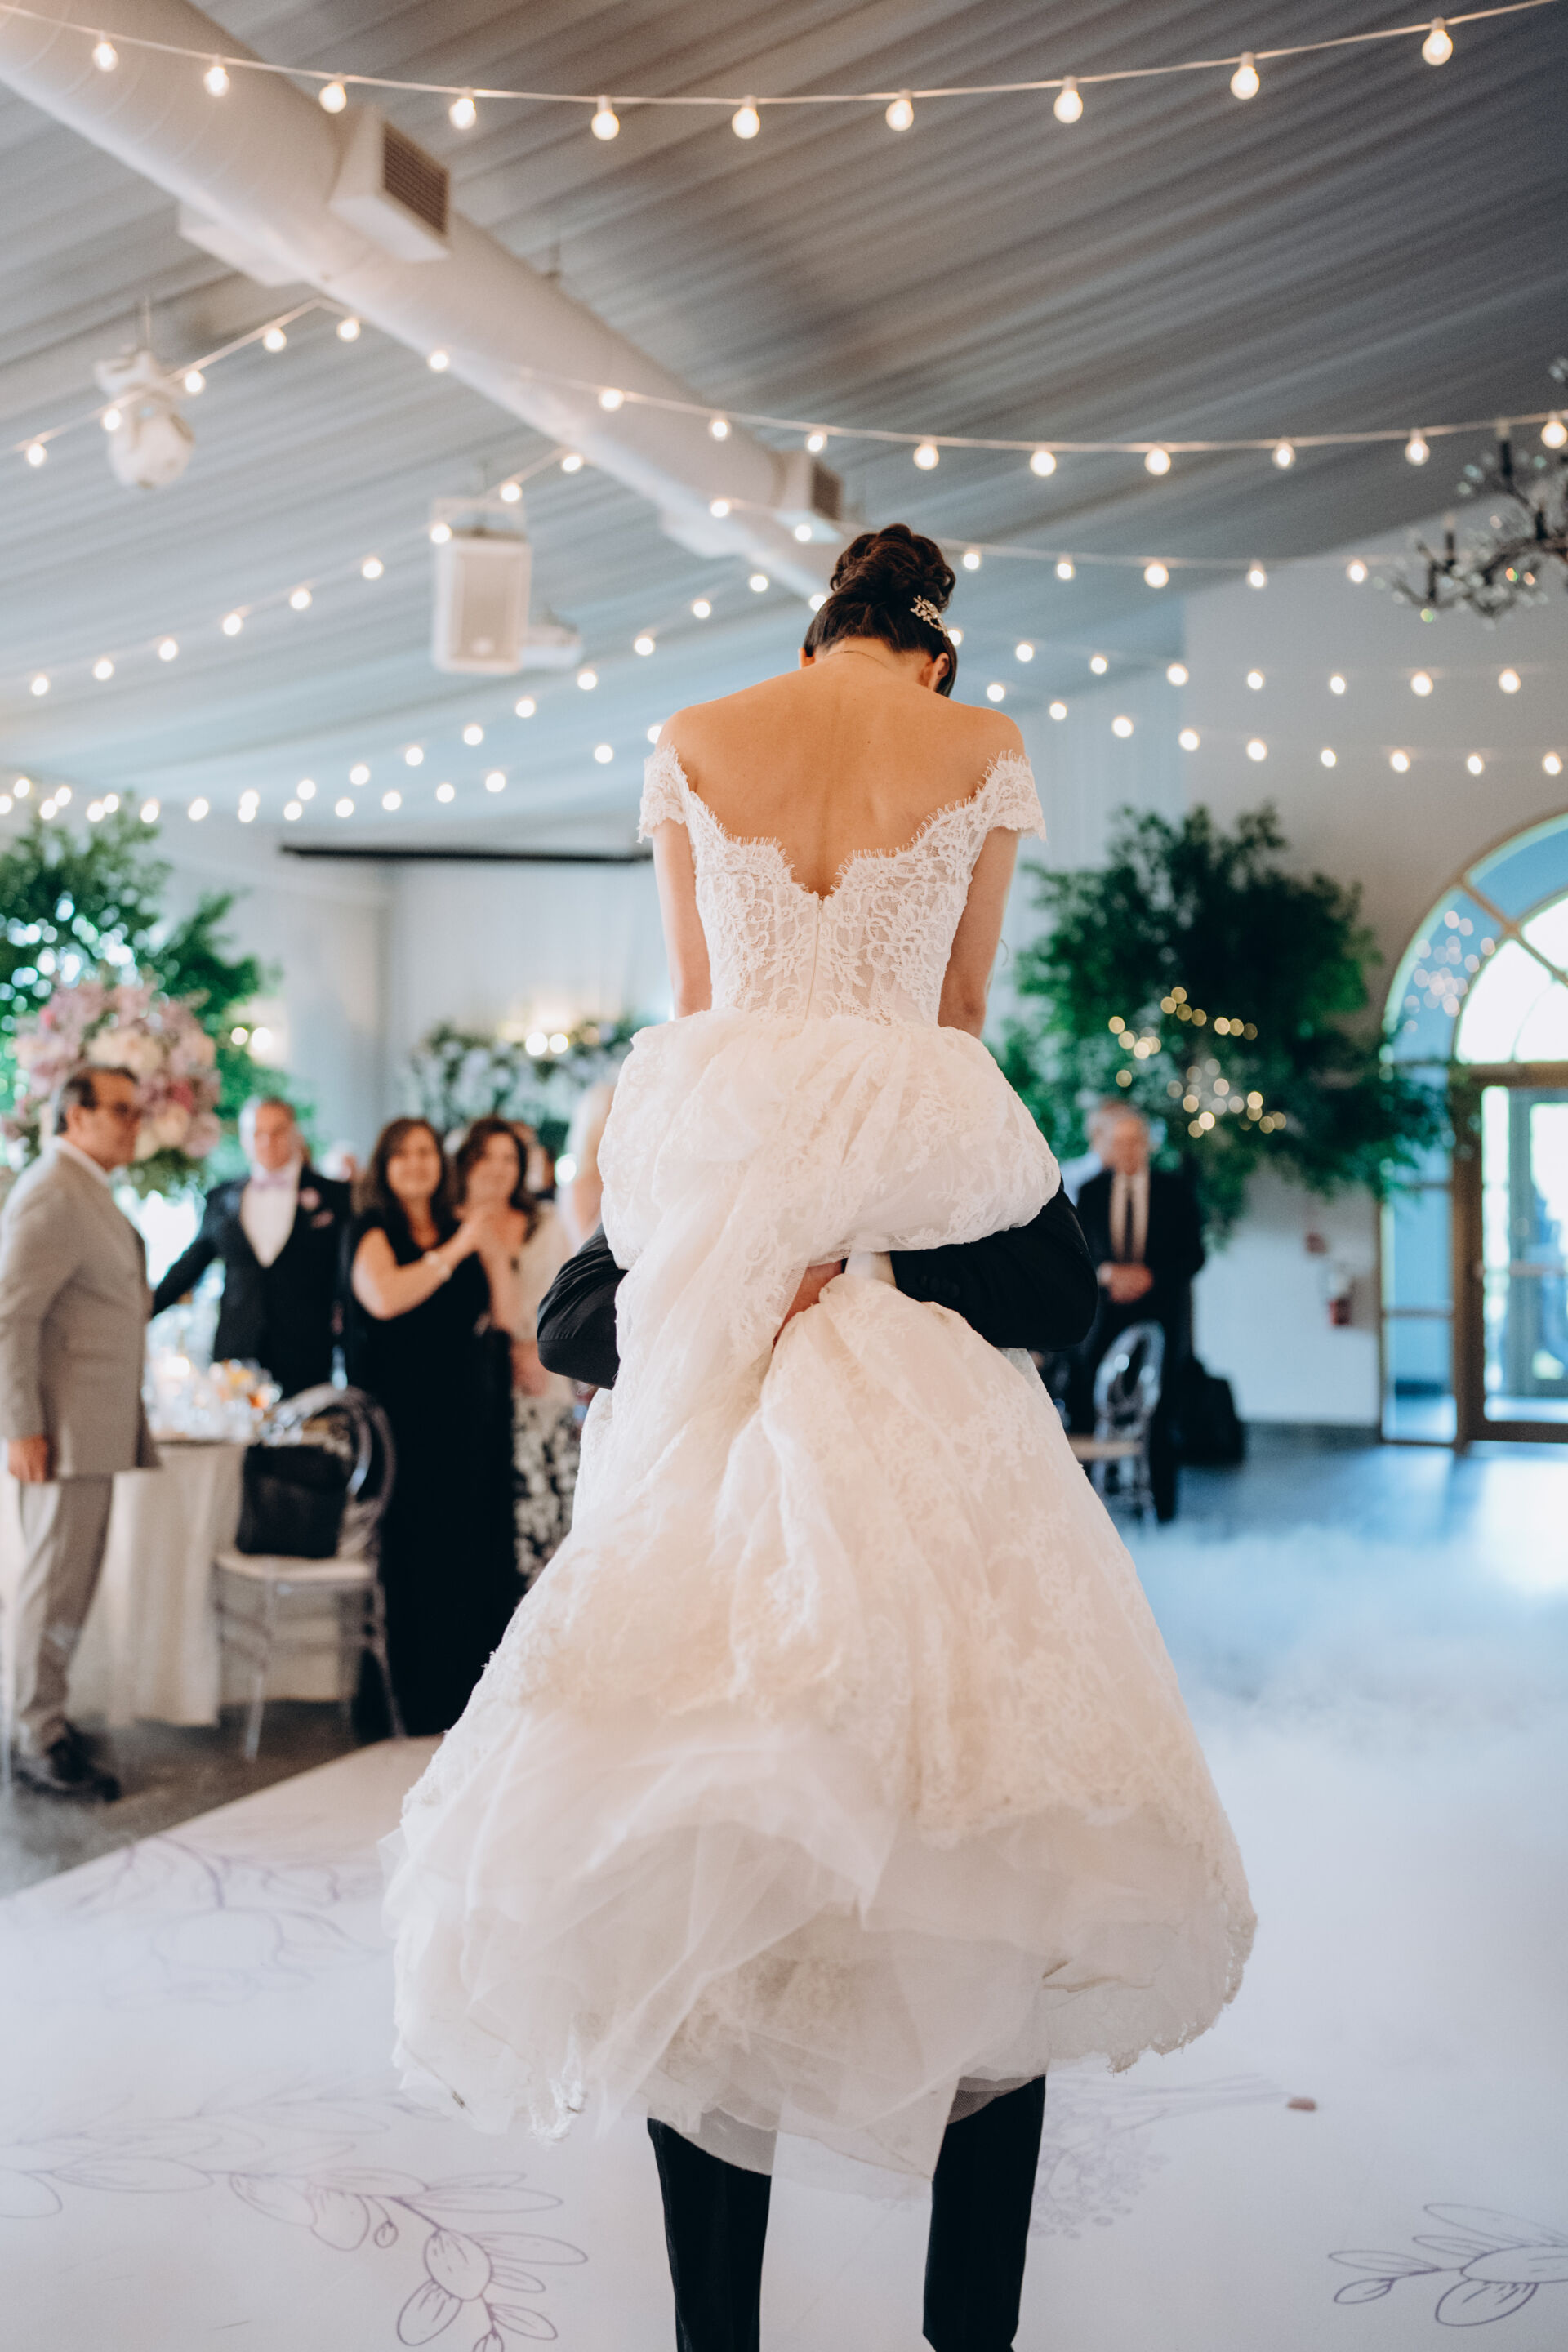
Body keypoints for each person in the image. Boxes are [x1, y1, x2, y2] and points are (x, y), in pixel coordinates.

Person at [385, 526, 1254, 2352]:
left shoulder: (696, 742)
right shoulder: (980, 743)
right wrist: (881, 1234)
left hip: (713, 1285)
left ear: (815, 635)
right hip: (927, 1286)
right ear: (933, 653)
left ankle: (716, 2331)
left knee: (697, 1872)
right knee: (1002, 1859)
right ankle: (969, 2331)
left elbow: (702, 1012)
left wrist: (744, 1247)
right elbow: (959, 1013)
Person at [0, 1066, 158, 1799]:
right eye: (121, 1110)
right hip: (59, 1434)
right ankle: (36, 1739)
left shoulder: (85, 1187)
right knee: (53, 1587)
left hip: (90, 1427)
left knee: (69, 1585)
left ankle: (47, 1717)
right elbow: (10, 1317)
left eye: (137, 1110)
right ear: (76, 1115)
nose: (135, 1124)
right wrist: (21, 1428)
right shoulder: (54, 1191)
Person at [344, 1118, 520, 1737]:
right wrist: (456, 1250)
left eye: (426, 1152)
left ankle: (475, 1698)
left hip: (470, 1413)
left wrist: (488, 1248)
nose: (418, 1163)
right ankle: (417, 1702)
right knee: (416, 1554)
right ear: (385, 1165)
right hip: (403, 1421)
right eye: (404, 1154)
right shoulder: (371, 1230)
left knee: (473, 1549)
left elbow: (507, 1314)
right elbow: (385, 1297)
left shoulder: (460, 1226)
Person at [151, 1097, 350, 1399]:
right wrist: (142, 1308)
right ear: (245, 1140)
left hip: (306, 1353)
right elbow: (190, 1265)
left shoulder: (335, 1196)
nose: (268, 1141)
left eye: (278, 1131)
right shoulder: (221, 1198)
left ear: (295, 1133)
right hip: (236, 1354)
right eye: (258, 1133)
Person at [452, 1119, 579, 1584]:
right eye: (486, 1156)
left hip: (541, 1379)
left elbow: (564, 1299)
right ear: (466, 1162)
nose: (498, 1168)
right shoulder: (449, 1222)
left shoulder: (544, 1222)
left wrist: (534, 1347)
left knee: (546, 1510)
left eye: (509, 1158)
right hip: (475, 1383)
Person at [1069, 1106, 1207, 1523]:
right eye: (1119, 1142)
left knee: (1160, 1410)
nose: (1127, 1150)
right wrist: (1107, 1273)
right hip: (1103, 1317)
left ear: (1147, 1144)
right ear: (1108, 1146)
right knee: (1087, 1400)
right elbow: (1079, 1253)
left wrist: (1151, 1277)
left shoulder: (1175, 1191)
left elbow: (1195, 1256)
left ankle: (1160, 1508)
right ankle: (1089, 1507)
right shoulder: (1090, 1191)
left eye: (1134, 1142)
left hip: (1160, 1315)